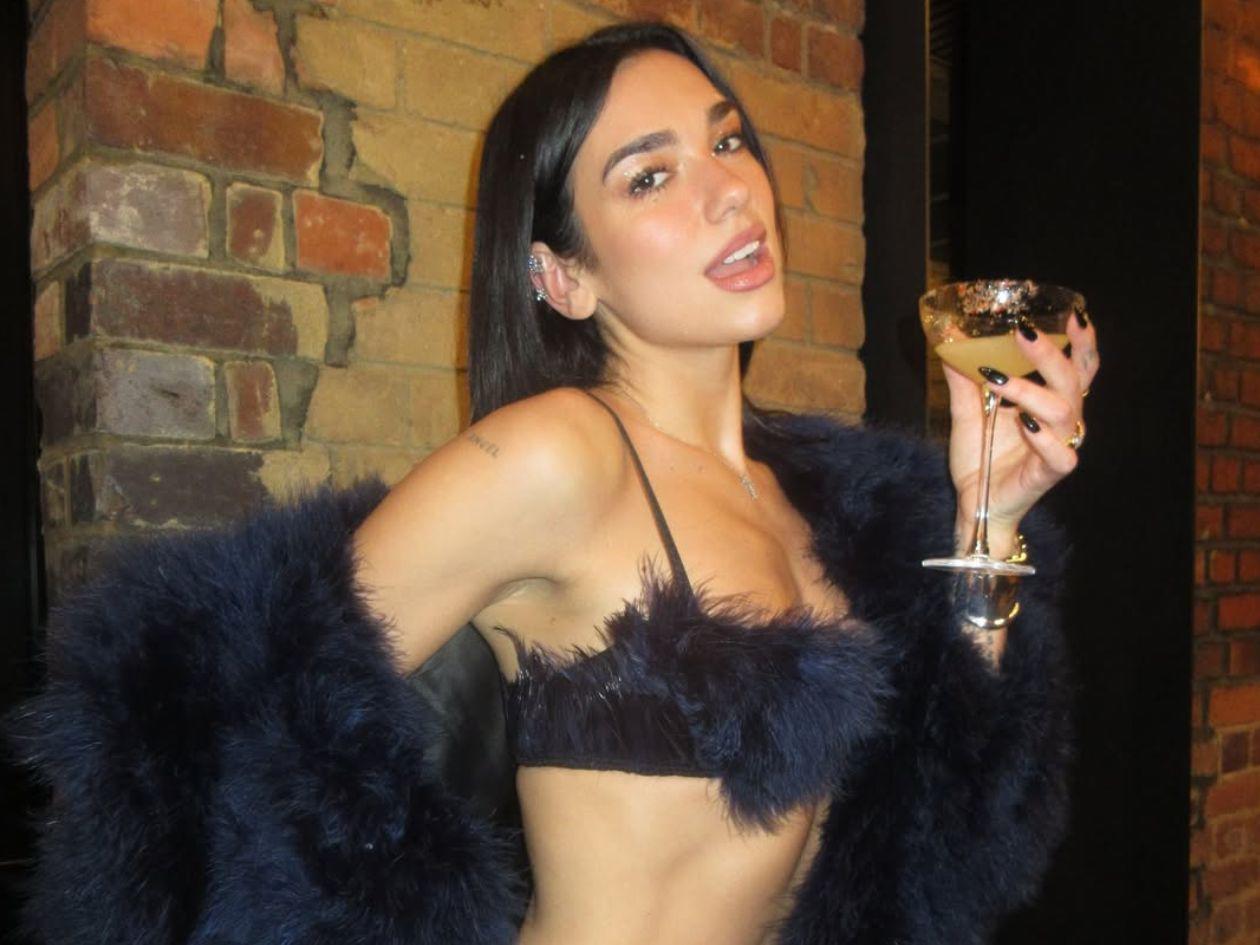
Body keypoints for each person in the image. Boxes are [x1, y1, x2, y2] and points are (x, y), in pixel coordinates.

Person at [10, 21, 1097, 945]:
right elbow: (214, 716)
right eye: (651, 176)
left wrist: (988, 518)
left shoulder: (814, 495)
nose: (730, 190)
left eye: (728, 141)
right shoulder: (559, 454)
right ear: (562, 275)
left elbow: (944, 840)